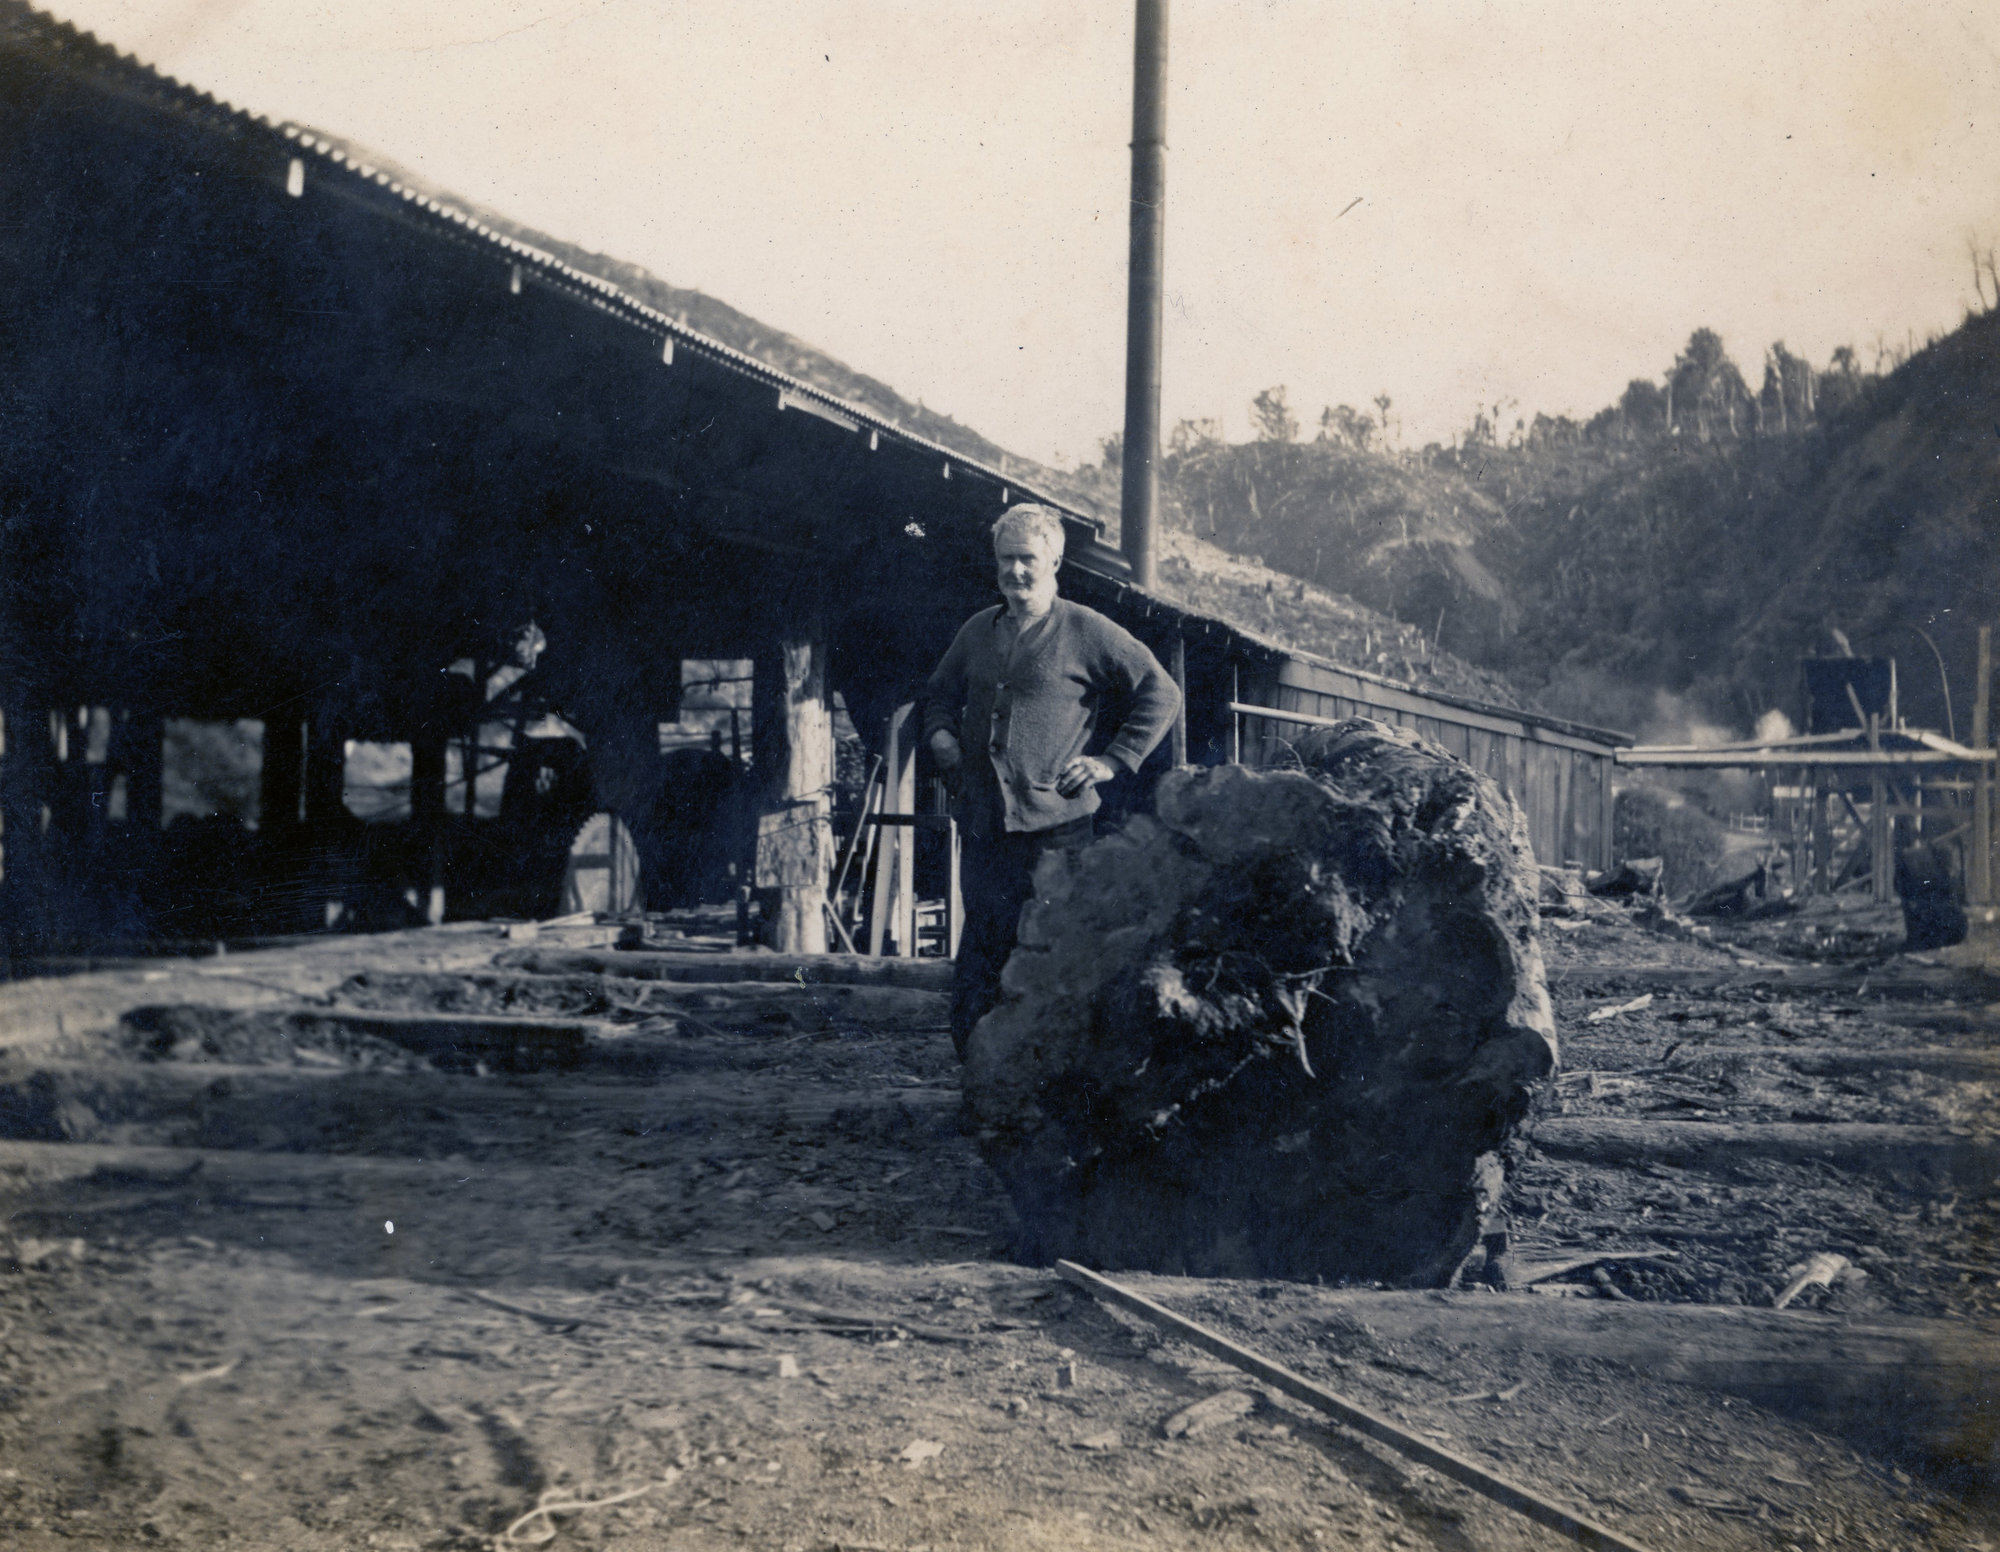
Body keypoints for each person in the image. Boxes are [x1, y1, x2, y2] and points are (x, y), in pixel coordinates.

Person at [924, 503, 1180, 1056]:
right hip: (986, 826)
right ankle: (977, 1076)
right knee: (983, 951)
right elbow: (938, 694)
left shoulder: (1086, 630)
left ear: (1056, 560)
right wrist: (941, 733)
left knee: (1053, 952)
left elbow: (1161, 692)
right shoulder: (977, 632)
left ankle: (1047, 1084)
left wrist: (1111, 761)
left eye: (1028, 559)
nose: (1015, 571)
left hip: (1057, 831)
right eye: (1006, 559)